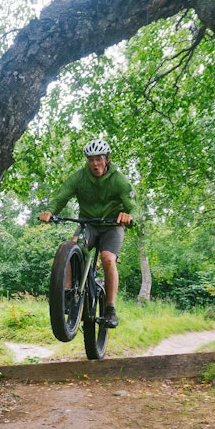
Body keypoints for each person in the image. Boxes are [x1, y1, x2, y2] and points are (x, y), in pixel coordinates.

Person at [39, 139, 134, 328]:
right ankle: (67, 295)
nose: (95, 164)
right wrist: (50, 211)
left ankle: (110, 308)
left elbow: (133, 206)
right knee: (71, 248)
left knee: (108, 258)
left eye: (99, 159)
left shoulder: (119, 180)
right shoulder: (79, 177)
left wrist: (130, 216)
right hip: (88, 224)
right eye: (91, 160)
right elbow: (61, 197)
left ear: (107, 159)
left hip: (112, 225)